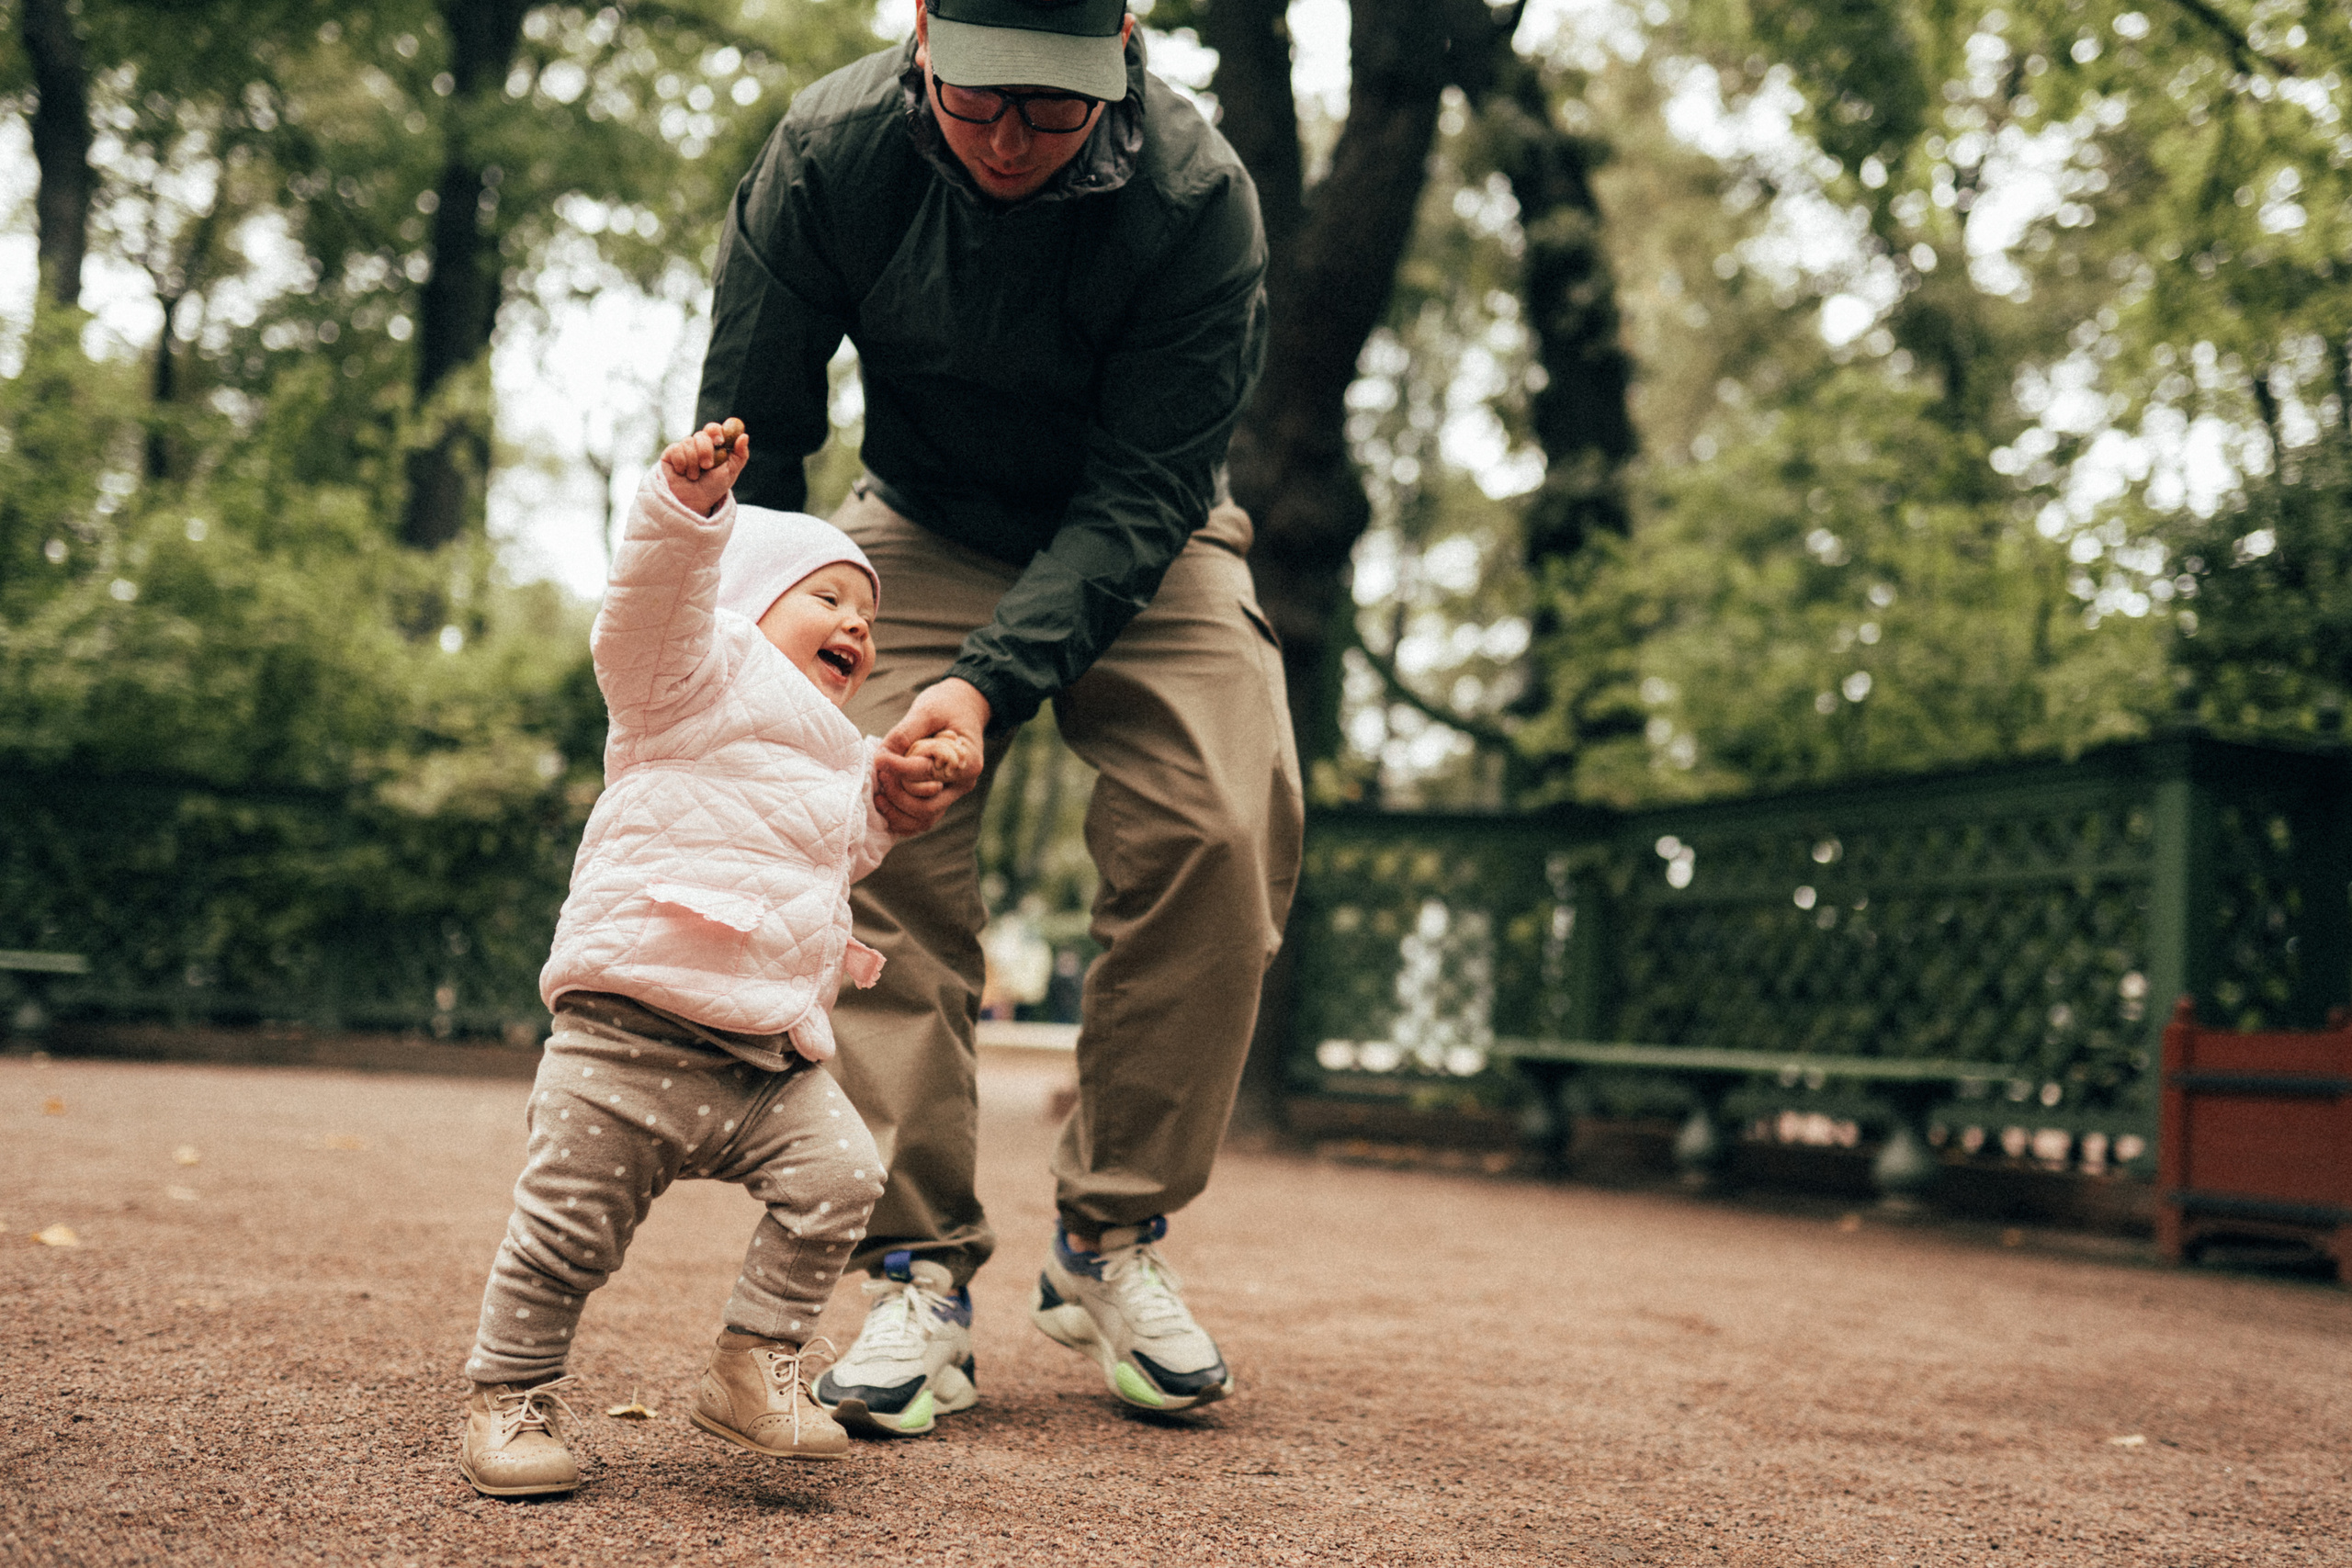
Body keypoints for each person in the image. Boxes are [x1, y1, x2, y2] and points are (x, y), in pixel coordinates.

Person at [695, 0, 1302, 1436]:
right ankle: (916, 1267)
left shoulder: (1201, 199)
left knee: (1226, 818)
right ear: (919, 35)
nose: (1014, 138)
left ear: (1127, 48)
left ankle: (1110, 1236)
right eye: (979, 102)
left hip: (1150, 537)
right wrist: (765, 639)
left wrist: (987, 678)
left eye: (1055, 104)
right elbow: (758, 428)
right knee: (864, 811)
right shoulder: (829, 152)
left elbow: (1145, 494)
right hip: (915, 523)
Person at [454, 421, 978, 1497]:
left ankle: (754, 1362)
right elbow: (648, 614)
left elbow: (832, 862)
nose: (856, 626)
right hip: (627, 1041)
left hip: (761, 1057)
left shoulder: (835, 753)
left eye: (868, 617)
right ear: (744, 603)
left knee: (842, 1176)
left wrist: (893, 804)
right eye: (828, 597)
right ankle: (511, 1400)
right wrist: (686, 517)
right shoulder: (682, 684)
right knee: (567, 1242)